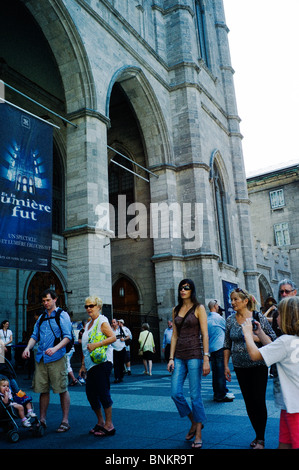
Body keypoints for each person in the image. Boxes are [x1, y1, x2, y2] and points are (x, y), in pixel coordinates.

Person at [242, 296, 299, 449]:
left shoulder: (285, 341)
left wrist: (247, 334)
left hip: (295, 409)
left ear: (287, 317)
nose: (276, 318)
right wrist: (260, 333)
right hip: (289, 406)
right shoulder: (291, 340)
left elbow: (255, 355)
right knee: (284, 445)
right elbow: (275, 350)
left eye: (278, 314)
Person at [223, 288, 276, 449]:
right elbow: (227, 344)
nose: (232, 303)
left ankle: (261, 438)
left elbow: (272, 338)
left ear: (245, 301)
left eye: (235, 300)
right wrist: (226, 365)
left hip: (258, 365)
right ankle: (257, 433)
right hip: (239, 366)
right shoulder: (230, 320)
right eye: (231, 300)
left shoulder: (257, 317)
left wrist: (252, 335)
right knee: (249, 402)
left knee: (258, 400)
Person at [22, 288, 73, 432]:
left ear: (55, 299)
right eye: (43, 301)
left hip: (57, 357)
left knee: (62, 388)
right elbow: (34, 336)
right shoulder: (42, 317)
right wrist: (27, 348)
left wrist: (55, 348)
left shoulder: (62, 315)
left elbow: (67, 337)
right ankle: (43, 419)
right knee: (43, 390)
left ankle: (65, 421)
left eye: (48, 300)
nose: (45, 303)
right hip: (41, 358)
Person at [168, 279, 210, 449]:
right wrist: (170, 358)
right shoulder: (175, 310)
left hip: (195, 355)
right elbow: (174, 336)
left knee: (195, 395)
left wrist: (206, 357)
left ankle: (198, 433)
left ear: (192, 290)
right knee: (175, 393)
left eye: (187, 288)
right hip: (179, 355)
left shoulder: (199, 308)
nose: (183, 290)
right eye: (181, 288)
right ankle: (194, 421)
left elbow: (205, 335)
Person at [79, 296, 116, 437]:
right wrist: (83, 365)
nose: (88, 308)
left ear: (98, 306)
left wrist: (96, 345)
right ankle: (100, 422)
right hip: (90, 364)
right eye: (86, 306)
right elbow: (84, 348)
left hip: (102, 362)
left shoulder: (102, 320)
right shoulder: (89, 323)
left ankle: (109, 424)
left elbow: (113, 337)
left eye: (91, 306)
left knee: (103, 392)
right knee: (91, 394)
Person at [207, 300, 234, 402]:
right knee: (221, 371)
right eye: (217, 305)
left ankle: (217, 392)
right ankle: (221, 394)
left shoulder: (207, 319)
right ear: (215, 306)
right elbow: (228, 329)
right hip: (220, 347)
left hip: (212, 349)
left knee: (215, 372)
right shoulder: (219, 318)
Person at [111, 318, 127, 383]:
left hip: (122, 348)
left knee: (121, 363)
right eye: (112, 322)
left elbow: (128, 336)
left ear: (117, 323)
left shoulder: (122, 329)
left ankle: (121, 376)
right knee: (116, 364)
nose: (113, 324)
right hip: (114, 349)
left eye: (114, 322)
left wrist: (124, 339)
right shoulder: (111, 330)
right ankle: (117, 377)